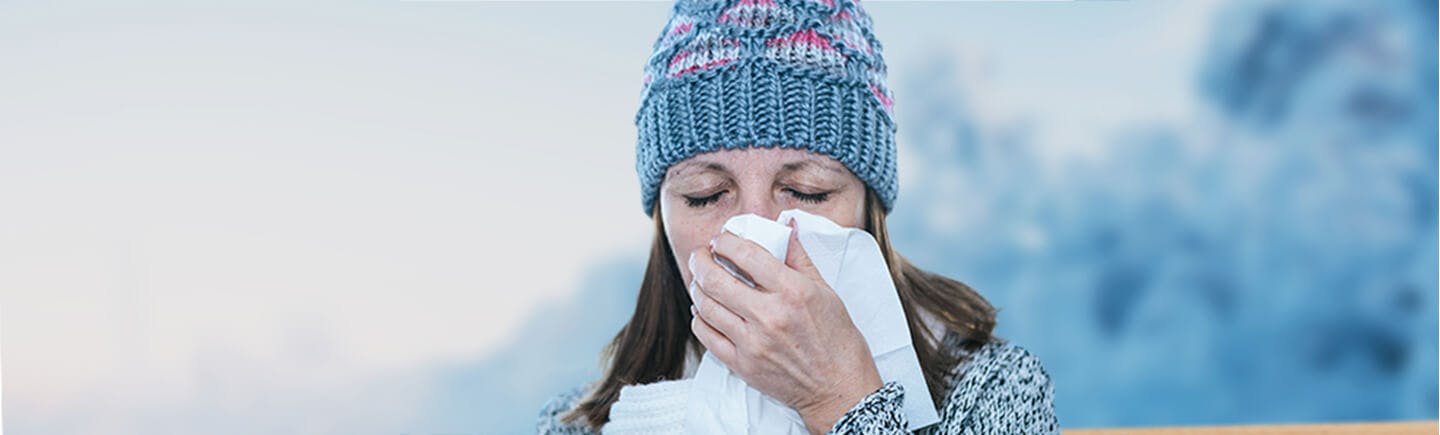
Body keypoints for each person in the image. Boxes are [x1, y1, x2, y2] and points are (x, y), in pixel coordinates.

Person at [537, 0, 1057, 433]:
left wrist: (839, 399)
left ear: (867, 206)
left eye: (806, 192)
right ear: (663, 212)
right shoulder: (575, 422)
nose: (757, 234)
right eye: (706, 194)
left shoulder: (993, 390)